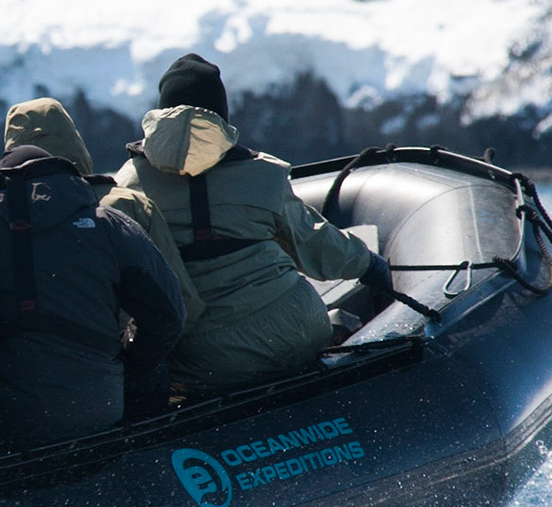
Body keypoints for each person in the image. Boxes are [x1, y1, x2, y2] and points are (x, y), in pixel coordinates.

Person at [113, 53, 391, 389]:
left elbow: (124, 277)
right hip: (298, 328)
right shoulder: (264, 173)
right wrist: (369, 264)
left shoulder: (128, 185)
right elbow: (315, 242)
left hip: (207, 361)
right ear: (220, 114)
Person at [0, 145, 185, 450]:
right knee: (156, 371)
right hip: (101, 406)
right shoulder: (110, 224)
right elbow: (170, 316)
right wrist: (131, 365)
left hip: (11, 417)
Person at [0, 96, 206, 331]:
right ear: (76, 143)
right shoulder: (128, 205)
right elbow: (181, 304)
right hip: (114, 349)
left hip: (21, 350)